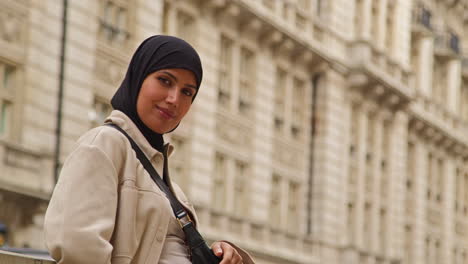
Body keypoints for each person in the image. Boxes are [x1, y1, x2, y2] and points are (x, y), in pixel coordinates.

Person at [44, 35, 254, 264]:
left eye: (187, 92)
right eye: (165, 80)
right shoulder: (104, 144)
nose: (174, 99)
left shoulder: (167, 182)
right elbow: (79, 249)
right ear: (139, 76)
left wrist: (215, 252)